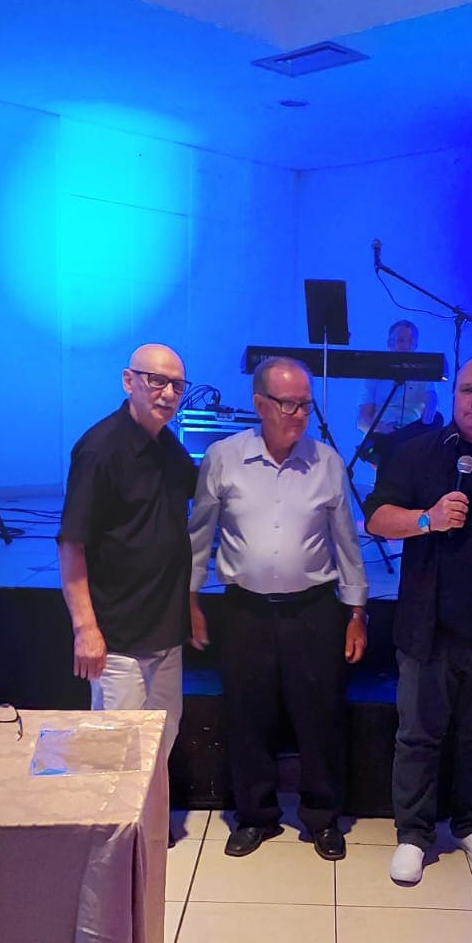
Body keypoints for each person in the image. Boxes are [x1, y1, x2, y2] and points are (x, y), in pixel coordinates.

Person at [365, 356, 472, 884]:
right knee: (418, 736)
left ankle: (469, 823)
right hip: (428, 623)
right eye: (466, 389)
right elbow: (377, 517)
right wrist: (428, 518)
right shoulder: (417, 451)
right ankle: (413, 834)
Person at [188, 356, 368, 860]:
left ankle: (322, 817)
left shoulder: (327, 462)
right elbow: (199, 534)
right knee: (248, 715)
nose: (299, 414)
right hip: (243, 611)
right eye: (288, 404)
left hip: (313, 610)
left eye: (305, 404)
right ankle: (256, 816)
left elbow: (346, 543)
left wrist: (357, 613)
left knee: (320, 716)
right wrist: (190, 599)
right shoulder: (223, 457)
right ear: (260, 403)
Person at [57, 343, 197, 757]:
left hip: (166, 635)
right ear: (128, 381)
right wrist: (85, 630)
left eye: (177, 385)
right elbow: (72, 543)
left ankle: (154, 808)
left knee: (162, 742)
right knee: (116, 753)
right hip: (119, 641)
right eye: (157, 381)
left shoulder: (169, 448)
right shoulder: (100, 449)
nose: (168, 394)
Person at [357, 319, 439, 465]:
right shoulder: (375, 374)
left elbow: (431, 399)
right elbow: (362, 419)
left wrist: (431, 404)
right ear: (389, 343)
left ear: (416, 346)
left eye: (410, 342)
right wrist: (384, 429)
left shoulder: (422, 374)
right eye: (401, 340)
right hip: (382, 434)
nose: (406, 346)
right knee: (385, 446)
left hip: (410, 434)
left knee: (438, 419)